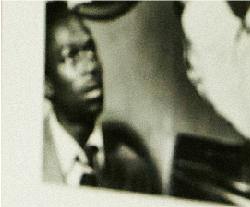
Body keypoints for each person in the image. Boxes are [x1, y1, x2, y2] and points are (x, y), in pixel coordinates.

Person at [40, 7, 161, 192]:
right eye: (71, 56)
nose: (91, 66)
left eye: (90, 49)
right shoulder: (24, 158)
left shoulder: (135, 170)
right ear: (45, 84)